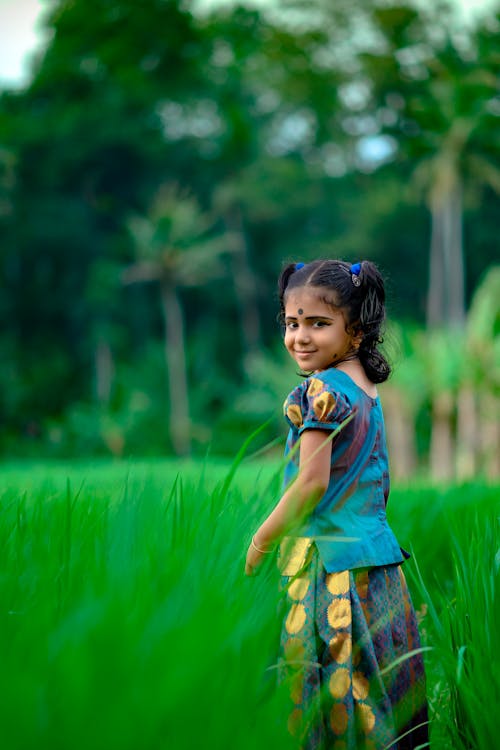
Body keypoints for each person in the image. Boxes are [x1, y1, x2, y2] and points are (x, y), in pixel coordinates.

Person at [245, 259, 428, 750]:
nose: (300, 337)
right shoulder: (366, 390)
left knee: (332, 686)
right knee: (380, 684)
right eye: (292, 323)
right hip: (378, 560)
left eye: (318, 324)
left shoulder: (320, 391)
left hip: (330, 571)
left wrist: (262, 540)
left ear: (357, 332)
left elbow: (310, 485)